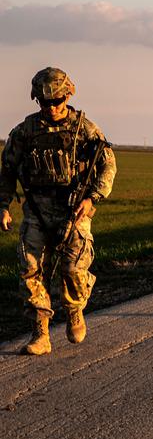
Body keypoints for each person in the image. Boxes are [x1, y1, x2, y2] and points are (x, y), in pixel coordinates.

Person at [0, 67, 116, 355]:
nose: (52, 108)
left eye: (57, 101)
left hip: (74, 210)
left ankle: (75, 308)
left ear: (67, 96)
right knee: (30, 270)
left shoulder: (84, 129)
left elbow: (108, 165)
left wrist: (93, 198)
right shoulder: (25, 132)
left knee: (74, 270)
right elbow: (7, 170)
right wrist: (3, 205)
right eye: (45, 102)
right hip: (37, 211)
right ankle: (40, 333)